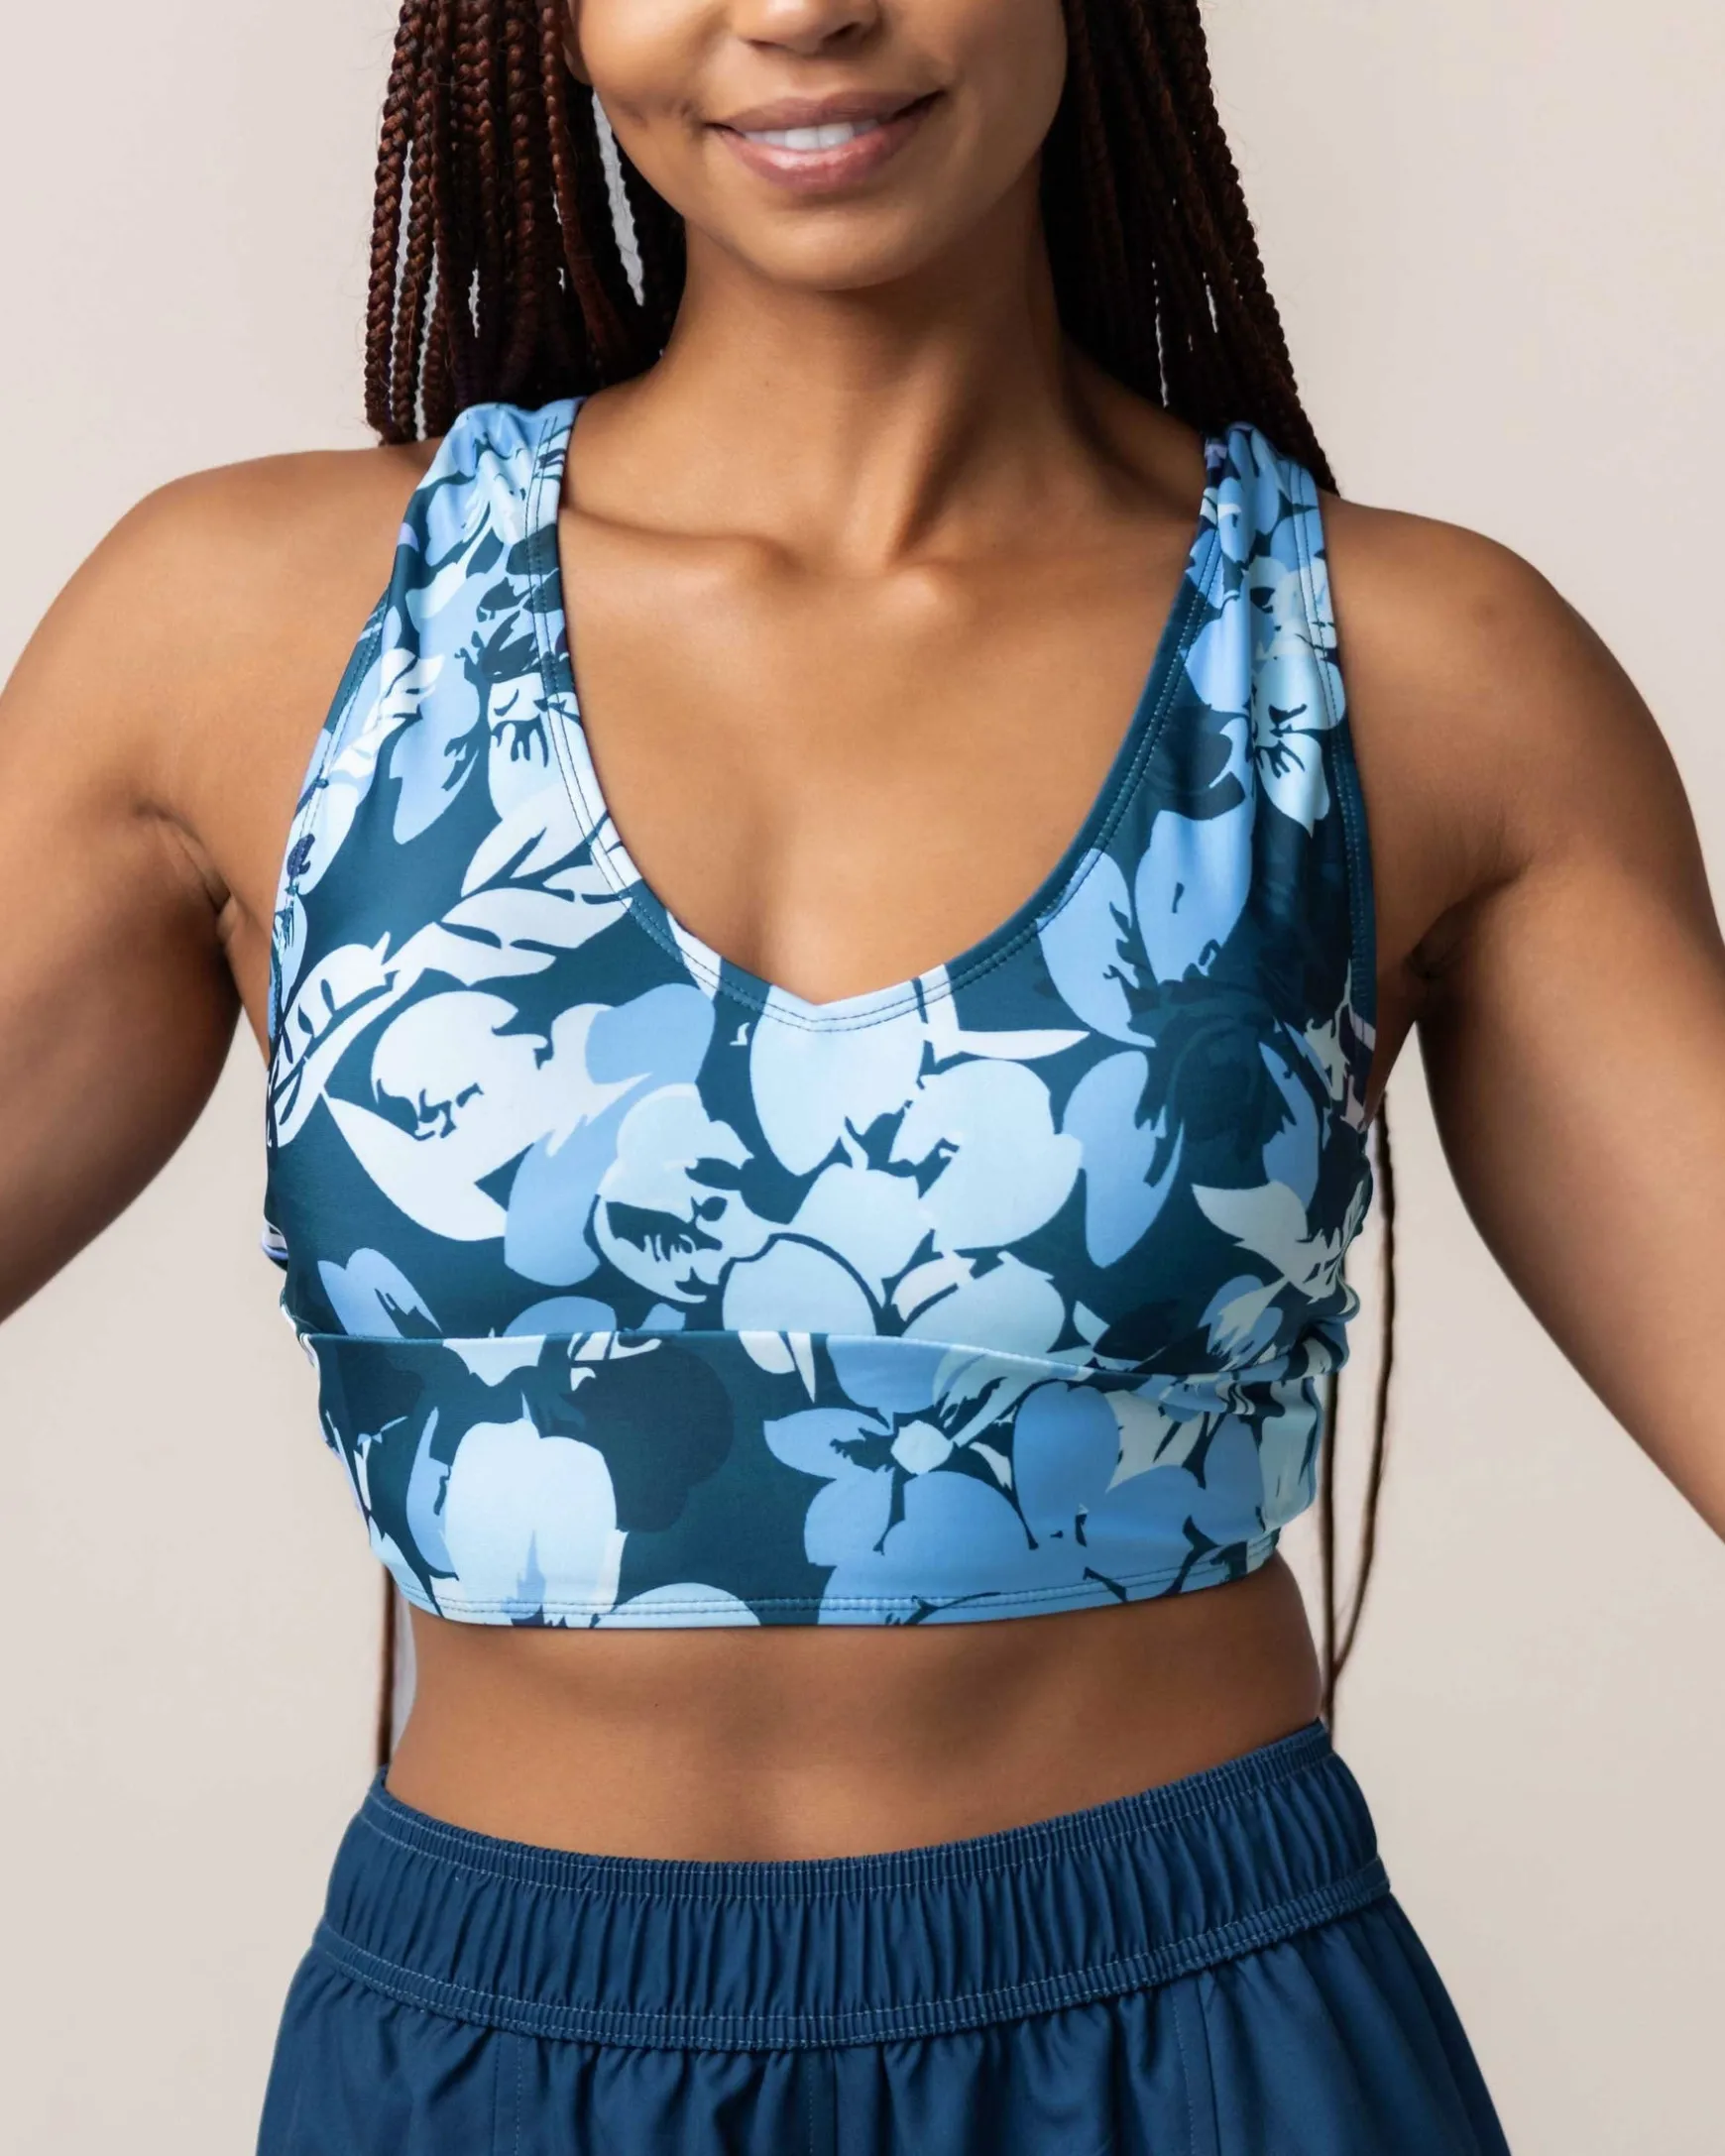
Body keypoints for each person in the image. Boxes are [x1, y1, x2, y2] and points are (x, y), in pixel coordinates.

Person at [2, 0, 1720, 2147]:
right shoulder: (239, 639)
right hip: (487, 2065)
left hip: (1196, 2057)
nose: (805, 8)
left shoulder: (1411, 673)